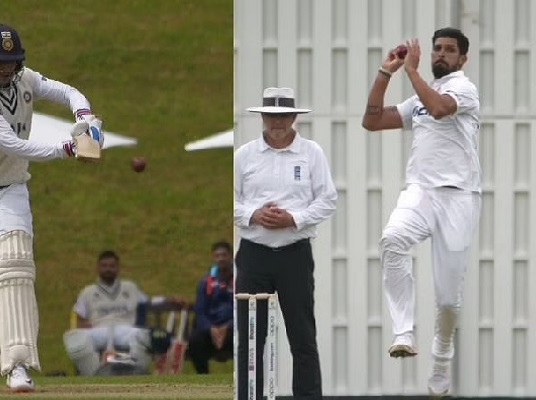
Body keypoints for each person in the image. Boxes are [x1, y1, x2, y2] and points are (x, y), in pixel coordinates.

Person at [0, 24, 103, 393]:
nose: (5, 69)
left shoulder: (24, 79)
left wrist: (85, 116)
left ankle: (17, 365)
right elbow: (12, 145)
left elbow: (66, 91)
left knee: (15, 264)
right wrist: (68, 148)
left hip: (11, 188)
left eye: (11, 62)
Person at [361, 28, 481, 397]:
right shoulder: (419, 97)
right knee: (393, 239)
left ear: (462, 59)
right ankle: (404, 333)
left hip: (459, 197)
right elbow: (373, 120)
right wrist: (386, 73)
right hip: (421, 191)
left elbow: (440, 108)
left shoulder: (464, 89)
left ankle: (441, 356)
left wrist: (411, 72)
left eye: (449, 51)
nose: (441, 55)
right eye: (436, 50)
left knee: (447, 300)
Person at [234, 87, 337, 400]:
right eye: (271, 116)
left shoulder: (311, 153)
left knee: (303, 336)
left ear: (293, 118)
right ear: (263, 117)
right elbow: (230, 201)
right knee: (251, 337)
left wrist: (294, 219)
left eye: (283, 116)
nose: (277, 122)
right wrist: (255, 215)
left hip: (295, 254)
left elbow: (328, 200)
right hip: (254, 254)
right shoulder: (245, 155)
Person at [63, 250, 172, 376]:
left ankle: (136, 372)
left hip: (126, 331)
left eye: (112, 266)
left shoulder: (130, 287)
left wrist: (169, 300)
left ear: (118, 268)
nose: (108, 269)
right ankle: (96, 375)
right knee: (73, 337)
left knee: (151, 335)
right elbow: (79, 318)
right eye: (104, 266)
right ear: (98, 268)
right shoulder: (88, 292)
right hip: (99, 331)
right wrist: (83, 326)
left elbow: (149, 301)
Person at [187, 240, 234, 374]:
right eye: (217, 256)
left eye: (224, 255)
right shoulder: (205, 282)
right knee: (195, 340)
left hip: (232, 329)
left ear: (230, 256)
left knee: (246, 338)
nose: (221, 259)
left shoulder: (239, 280)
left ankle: (243, 378)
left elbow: (243, 309)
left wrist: (228, 326)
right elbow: (200, 311)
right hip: (211, 330)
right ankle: (203, 378)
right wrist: (211, 328)